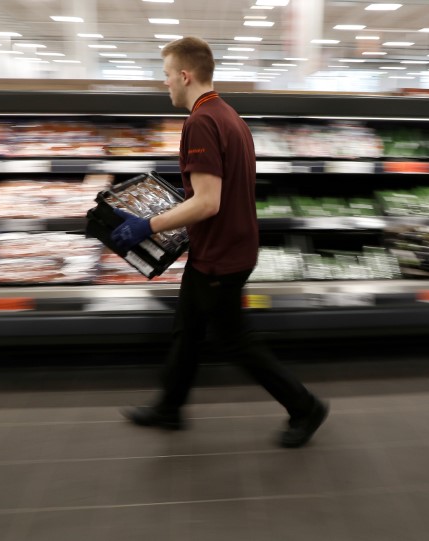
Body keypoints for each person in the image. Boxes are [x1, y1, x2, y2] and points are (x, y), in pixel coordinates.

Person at [110, 37, 328, 448]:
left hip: (221, 254)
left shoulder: (201, 122)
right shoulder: (228, 115)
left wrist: (148, 225)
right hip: (225, 246)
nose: (166, 84)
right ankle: (169, 408)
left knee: (234, 340)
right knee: (188, 329)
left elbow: (209, 202)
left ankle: (304, 406)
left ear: (185, 75)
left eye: (167, 75)